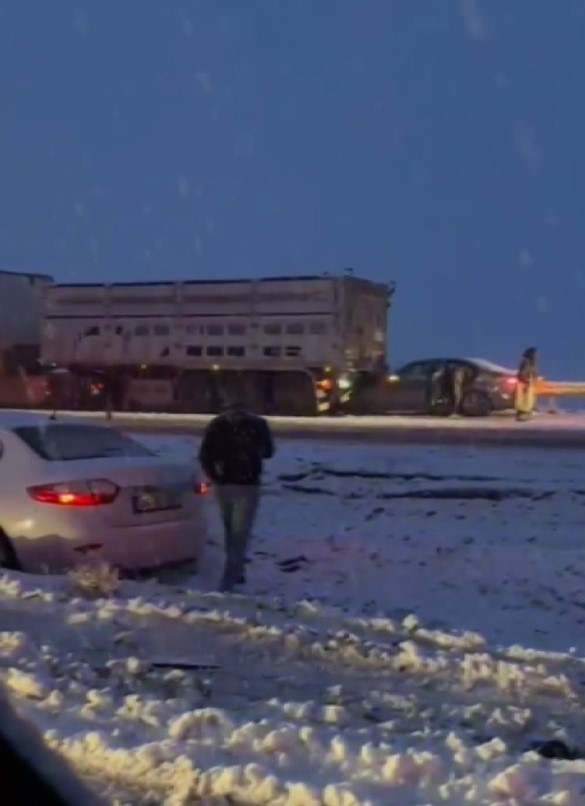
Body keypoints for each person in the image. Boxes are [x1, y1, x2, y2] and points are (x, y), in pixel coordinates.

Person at [198, 402, 275, 592]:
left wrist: (215, 476)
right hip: (247, 484)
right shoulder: (257, 424)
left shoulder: (218, 424)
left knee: (230, 529)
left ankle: (234, 572)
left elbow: (205, 455)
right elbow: (268, 452)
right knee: (239, 532)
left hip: (226, 483)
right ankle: (233, 573)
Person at [515, 346, 538, 421]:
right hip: (524, 383)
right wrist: (526, 381)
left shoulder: (532, 362)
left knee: (528, 399)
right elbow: (522, 373)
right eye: (535, 354)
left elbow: (533, 373)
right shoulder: (526, 362)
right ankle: (522, 414)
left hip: (528, 382)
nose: (536, 356)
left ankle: (526, 413)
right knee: (523, 399)